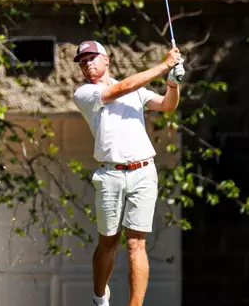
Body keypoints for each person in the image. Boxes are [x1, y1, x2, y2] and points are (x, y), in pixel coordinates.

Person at [72, 40, 184, 306]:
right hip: (110, 175)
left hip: (143, 171)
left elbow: (168, 105)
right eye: (82, 62)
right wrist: (164, 65)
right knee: (108, 243)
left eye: (91, 58)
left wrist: (173, 82)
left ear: (106, 59)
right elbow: (121, 88)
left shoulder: (136, 89)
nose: (87, 65)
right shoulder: (84, 93)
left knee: (136, 243)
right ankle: (100, 297)